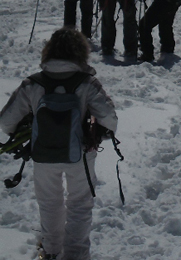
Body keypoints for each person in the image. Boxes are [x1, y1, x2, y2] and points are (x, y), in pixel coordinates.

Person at [0, 27, 118, 260]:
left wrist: (25, 131)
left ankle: (51, 251)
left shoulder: (32, 83)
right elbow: (109, 118)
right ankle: (76, 254)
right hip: (80, 155)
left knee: (49, 202)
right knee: (80, 204)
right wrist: (100, 134)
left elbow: (5, 121)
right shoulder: (87, 83)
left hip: (44, 153)